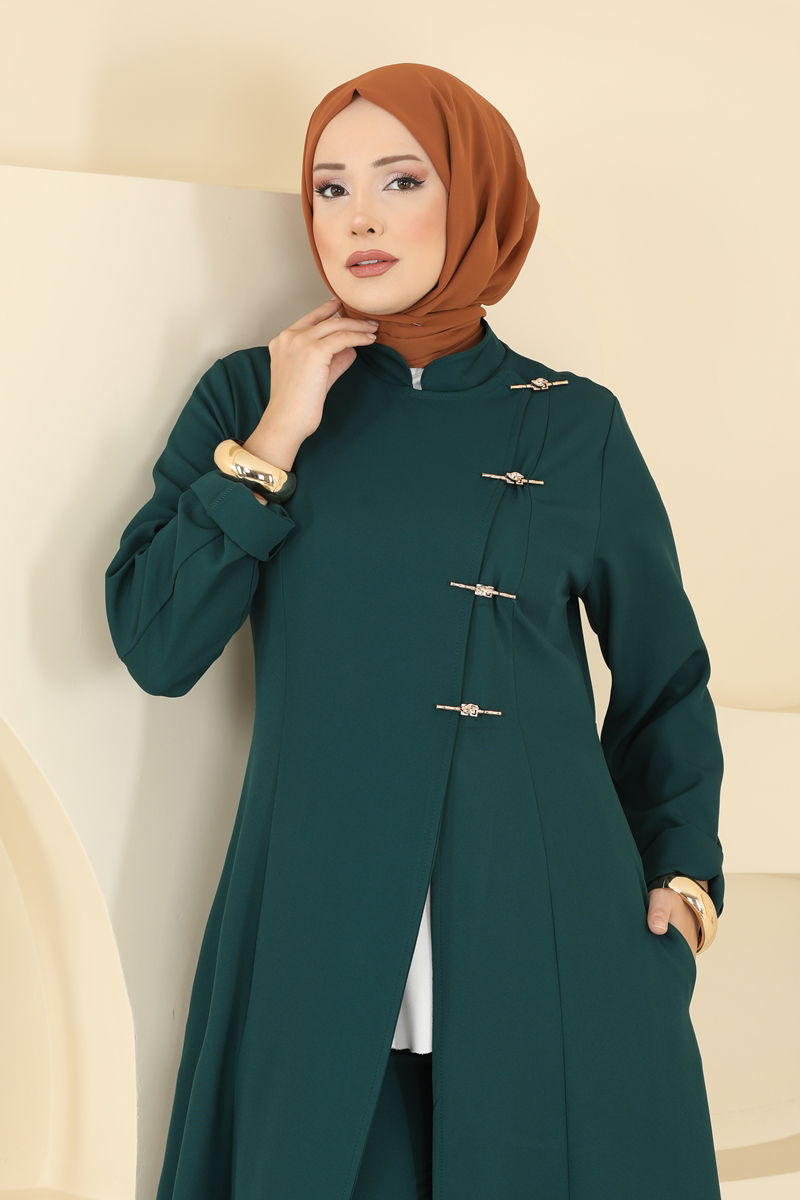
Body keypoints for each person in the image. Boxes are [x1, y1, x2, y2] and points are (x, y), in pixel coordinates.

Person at [105, 62, 725, 1200]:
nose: (361, 218)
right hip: (321, 897)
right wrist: (280, 435)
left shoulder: (574, 423)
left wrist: (683, 877)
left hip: (547, 907)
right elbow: (156, 643)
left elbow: (663, 676)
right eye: (330, 188)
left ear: (476, 197)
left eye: (401, 180)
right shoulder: (248, 396)